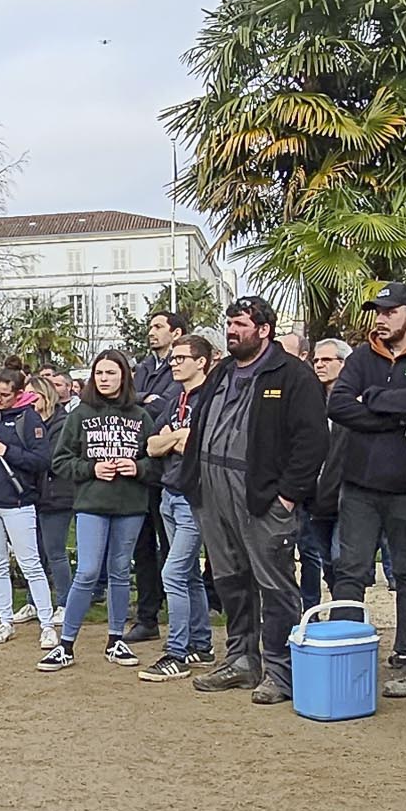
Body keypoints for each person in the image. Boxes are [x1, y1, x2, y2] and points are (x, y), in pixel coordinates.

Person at [181, 297, 325, 703]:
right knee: (229, 579)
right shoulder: (223, 370)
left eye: (241, 324)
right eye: (229, 323)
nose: (232, 331)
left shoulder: (293, 375)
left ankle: (281, 671)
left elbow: (312, 441)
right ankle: (242, 659)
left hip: (262, 498)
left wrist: (287, 498)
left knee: (275, 585)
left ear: (264, 330)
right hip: (213, 491)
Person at [327, 283, 406, 694]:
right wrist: (395, 416)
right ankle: (344, 648)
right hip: (359, 486)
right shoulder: (362, 355)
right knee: (349, 571)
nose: (380, 318)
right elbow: (338, 405)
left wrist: (372, 398)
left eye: (389, 311)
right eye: (377, 311)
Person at [42, 351, 156, 672]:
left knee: (120, 571)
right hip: (91, 503)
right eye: (99, 372)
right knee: (88, 570)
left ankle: (115, 639)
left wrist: (137, 467)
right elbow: (61, 460)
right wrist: (92, 468)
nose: (104, 378)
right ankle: (65, 645)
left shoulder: (140, 416)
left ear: (124, 376)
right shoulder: (80, 415)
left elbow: (155, 462)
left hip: (131, 505)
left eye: (111, 372)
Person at [139, 335, 220, 680]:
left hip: (195, 497)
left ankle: (176, 652)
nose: (173, 363)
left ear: (201, 361)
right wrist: (173, 438)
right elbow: (152, 445)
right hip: (169, 494)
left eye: (180, 358)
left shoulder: (212, 400)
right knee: (186, 575)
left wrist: (174, 439)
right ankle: (201, 645)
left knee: (172, 573)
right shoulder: (176, 399)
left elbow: (198, 444)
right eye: (172, 359)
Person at [0, 365, 59, 646]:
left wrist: (8, 451)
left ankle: (46, 623)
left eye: (5, 394)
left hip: (17, 501)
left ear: (18, 394)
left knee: (30, 564)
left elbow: (42, 461)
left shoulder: (29, 420)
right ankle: (4, 621)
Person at [130, 310, 189, 641]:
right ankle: (147, 616)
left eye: (157, 327)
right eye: (149, 326)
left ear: (176, 332)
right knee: (142, 548)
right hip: (143, 466)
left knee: (172, 548)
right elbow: (131, 401)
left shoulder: (178, 367)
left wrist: (145, 402)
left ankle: (184, 619)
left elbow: (162, 406)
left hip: (168, 469)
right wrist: (143, 398)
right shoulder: (142, 368)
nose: (151, 332)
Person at [302, 340, 352, 603]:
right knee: (327, 563)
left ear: (344, 363)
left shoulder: (356, 399)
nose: (319, 365)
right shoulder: (311, 400)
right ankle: (338, 606)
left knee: (340, 558)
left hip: (347, 494)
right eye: (317, 360)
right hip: (315, 497)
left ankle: (346, 613)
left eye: (327, 360)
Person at [29, 367, 76, 610]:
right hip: (33, 494)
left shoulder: (63, 423)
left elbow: (52, 459)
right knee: (33, 553)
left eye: (32, 396)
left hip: (58, 495)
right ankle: (33, 602)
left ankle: (64, 603)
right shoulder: (28, 422)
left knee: (55, 551)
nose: (26, 401)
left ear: (45, 398)